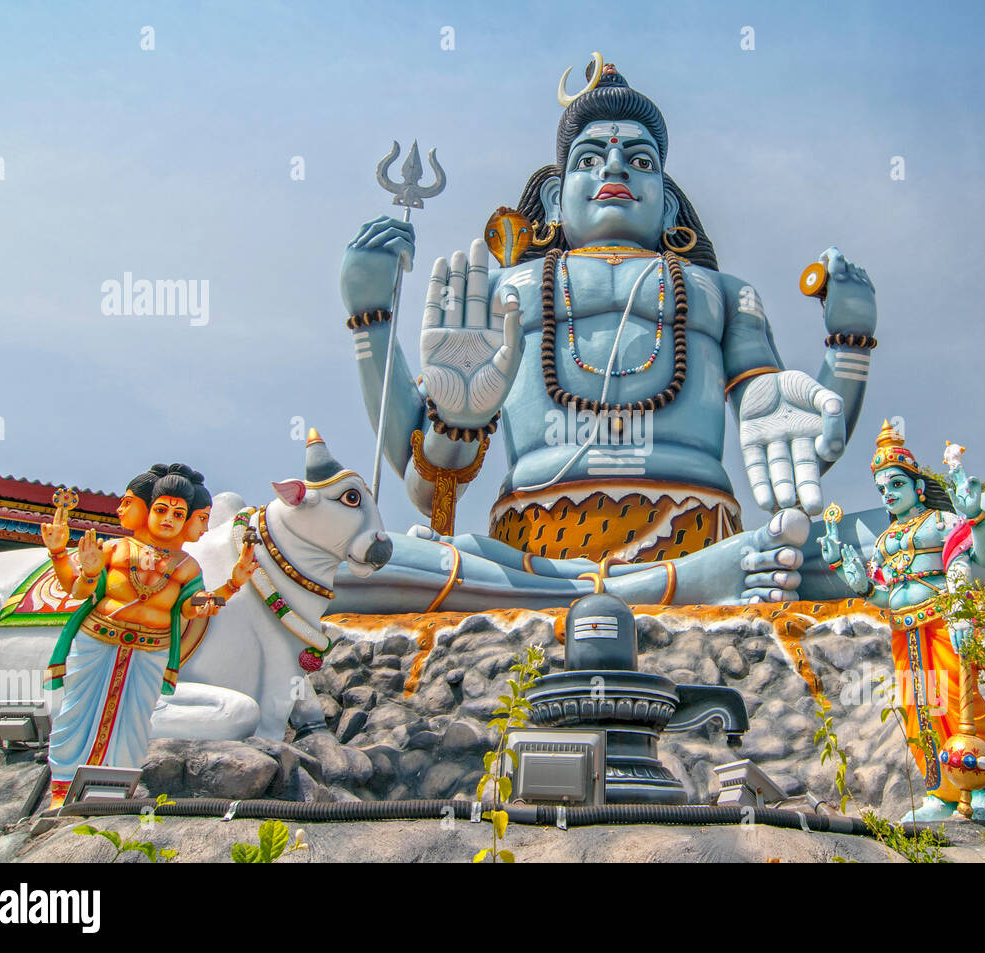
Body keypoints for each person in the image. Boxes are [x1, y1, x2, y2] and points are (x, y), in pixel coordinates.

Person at [335, 55, 879, 608]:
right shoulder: (503, 289)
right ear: (554, 197)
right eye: (590, 158)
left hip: (699, 539)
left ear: (668, 206)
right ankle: (652, 587)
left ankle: (622, 586)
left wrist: (848, 343)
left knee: (914, 542)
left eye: (639, 159)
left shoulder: (723, 293)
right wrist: (378, 326)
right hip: (532, 549)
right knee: (337, 559)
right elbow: (429, 493)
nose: (614, 167)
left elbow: (795, 458)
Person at [40, 466, 256, 808]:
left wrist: (233, 583)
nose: (169, 519)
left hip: (149, 652)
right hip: (98, 640)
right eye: (161, 509)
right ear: (146, 509)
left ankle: (112, 795)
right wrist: (60, 555)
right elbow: (78, 589)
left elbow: (193, 609)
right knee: (77, 714)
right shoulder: (117, 550)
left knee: (133, 725)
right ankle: (61, 792)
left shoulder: (187, 567)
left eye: (179, 513)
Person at [819, 422, 985, 821]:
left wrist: (977, 518)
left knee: (958, 701)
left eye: (896, 485)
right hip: (905, 631)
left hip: (944, 621)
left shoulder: (942, 522)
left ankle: (984, 788)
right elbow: (887, 595)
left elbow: (984, 560)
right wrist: (861, 585)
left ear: (918, 486)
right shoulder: (884, 542)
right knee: (918, 708)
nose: (888, 494)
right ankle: (940, 791)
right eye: (882, 489)